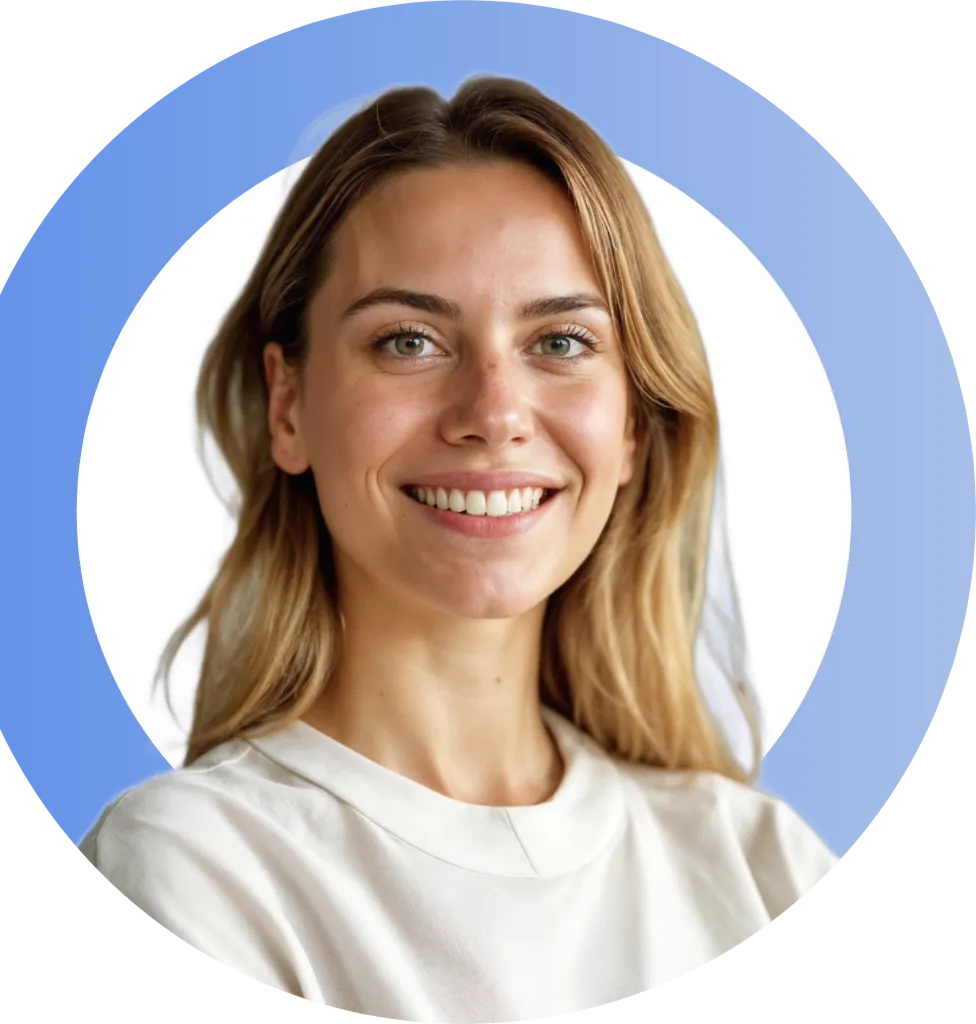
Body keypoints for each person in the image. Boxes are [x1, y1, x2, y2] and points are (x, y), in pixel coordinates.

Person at [77, 76, 839, 1020]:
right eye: (409, 341)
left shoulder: (764, 869)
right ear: (288, 406)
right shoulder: (191, 871)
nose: (494, 412)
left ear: (634, 427)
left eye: (561, 342)